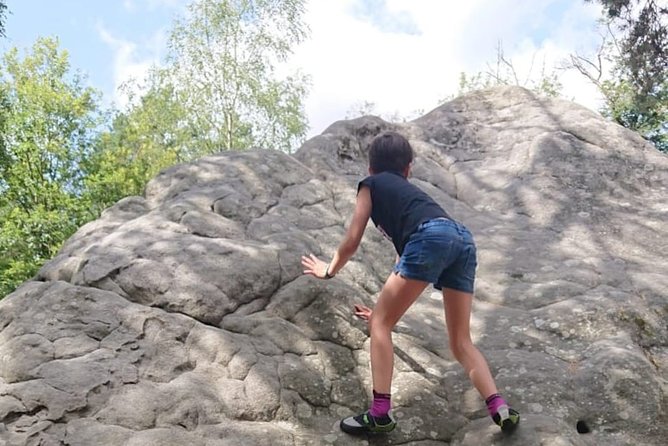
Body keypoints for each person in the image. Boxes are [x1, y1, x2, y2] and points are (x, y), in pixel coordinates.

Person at [301, 131, 520, 435]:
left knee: (380, 326)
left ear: (370, 169)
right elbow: (405, 266)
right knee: (460, 342)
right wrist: (381, 310)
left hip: (430, 237)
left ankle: (379, 414)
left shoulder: (371, 185)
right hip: (462, 240)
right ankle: (499, 406)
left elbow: (352, 240)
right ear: (408, 169)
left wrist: (329, 270)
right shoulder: (410, 196)